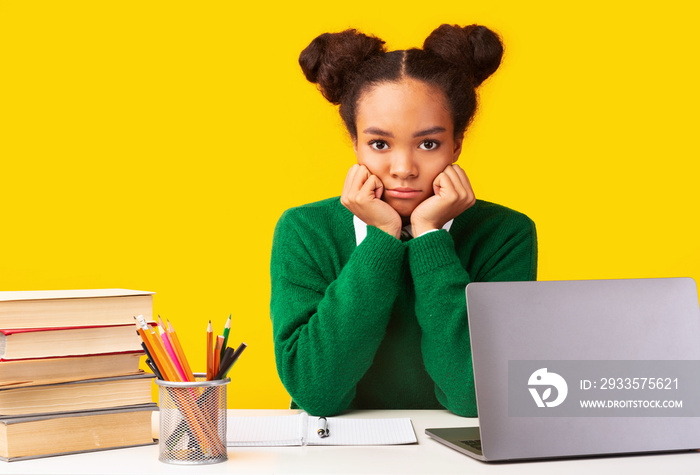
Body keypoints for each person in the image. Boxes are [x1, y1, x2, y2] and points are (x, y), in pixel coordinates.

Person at [270, 24, 537, 417]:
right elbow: (316, 392)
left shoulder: (505, 234)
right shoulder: (306, 230)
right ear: (355, 143)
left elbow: (475, 397)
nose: (403, 169)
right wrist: (380, 238)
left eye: (428, 144)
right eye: (380, 144)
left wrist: (430, 239)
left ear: (457, 144)